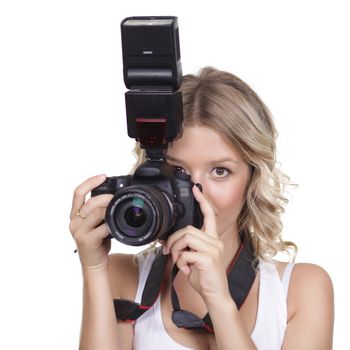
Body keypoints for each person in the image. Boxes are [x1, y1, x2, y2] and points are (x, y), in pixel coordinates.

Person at [69, 67, 334, 350]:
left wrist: (219, 301)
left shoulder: (300, 290)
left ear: (252, 179)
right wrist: (94, 267)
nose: (196, 193)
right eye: (177, 170)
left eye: (220, 171)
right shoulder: (124, 277)